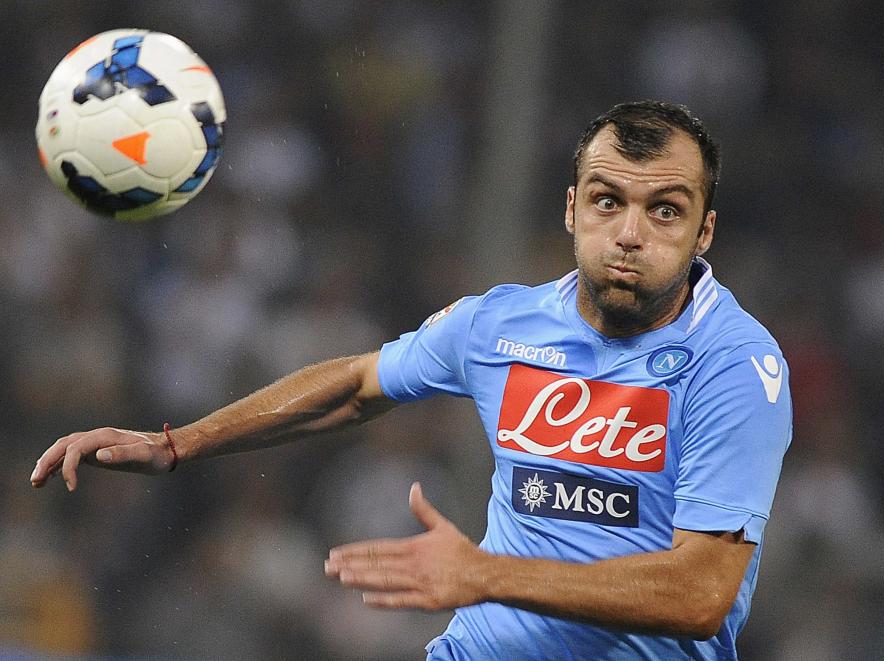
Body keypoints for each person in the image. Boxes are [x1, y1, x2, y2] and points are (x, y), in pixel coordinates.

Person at [31, 101, 792, 660]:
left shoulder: (734, 364)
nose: (630, 233)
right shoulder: (500, 324)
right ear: (572, 210)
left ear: (705, 231)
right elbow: (358, 383)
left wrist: (486, 574)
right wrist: (178, 443)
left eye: (665, 209)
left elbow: (699, 593)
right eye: (607, 200)